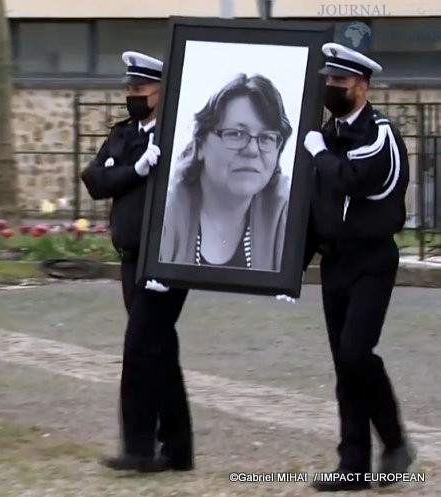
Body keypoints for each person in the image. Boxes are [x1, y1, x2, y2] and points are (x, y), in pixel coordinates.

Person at [301, 43, 415, 492]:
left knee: (355, 353)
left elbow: (354, 177)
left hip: (372, 259)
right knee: (343, 365)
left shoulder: (379, 133)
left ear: (362, 86)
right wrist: (293, 268)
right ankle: (353, 465)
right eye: (329, 81)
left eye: (341, 83)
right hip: (336, 263)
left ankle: (395, 440)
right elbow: (314, 207)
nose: (333, 88)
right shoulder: (326, 137)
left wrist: (318, 152)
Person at [80, 51, 194, 472]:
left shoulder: (177, 135)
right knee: (159, 349)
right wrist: (136, 170)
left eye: (141, 89)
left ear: (161, 92)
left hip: (165, 258)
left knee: (139, 346)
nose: (134, 95)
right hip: (131, 259)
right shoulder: (125, 135)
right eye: (129, 89)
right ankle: (178, 449)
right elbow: (95, 180)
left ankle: (139, 447)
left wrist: (173, 257)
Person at [159, 73, 293, 270]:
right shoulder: (166, 211)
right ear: (201, 144)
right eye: (236, 134)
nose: (252, 150)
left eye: (266, 137)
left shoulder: (285, 211)